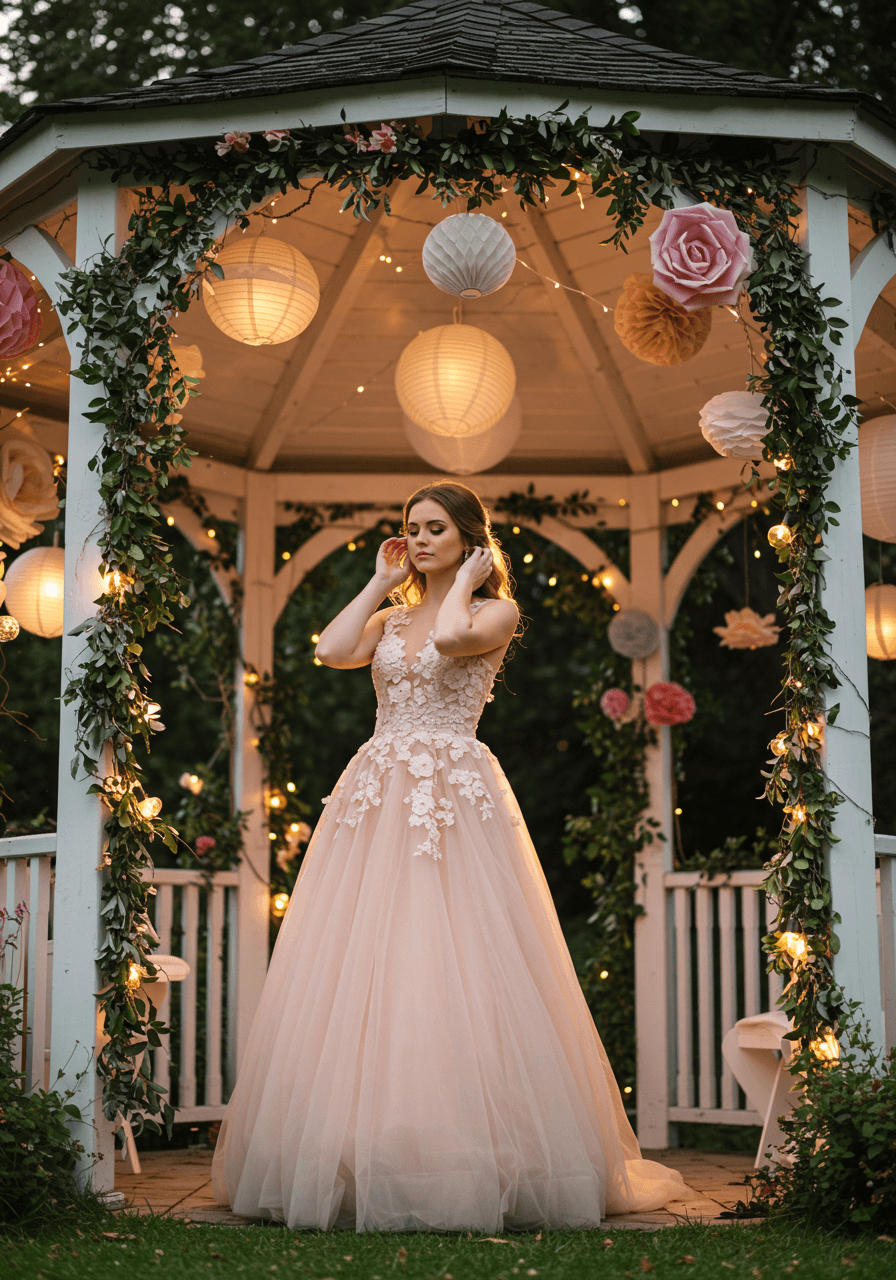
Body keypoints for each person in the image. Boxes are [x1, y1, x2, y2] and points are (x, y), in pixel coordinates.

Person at [211, 480, 686, 1231]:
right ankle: (356, 1146)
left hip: (452, 794)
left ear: (469, 536)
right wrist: (378, 579)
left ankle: (469, 1152)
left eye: (437, 528)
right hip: (376, 792)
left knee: (452, 951)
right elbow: (331, 649)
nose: (422, 539)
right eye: (413, 528)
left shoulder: (496, 610)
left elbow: (458, 641)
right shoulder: (392, 616)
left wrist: (466, 580)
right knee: (368, 955)